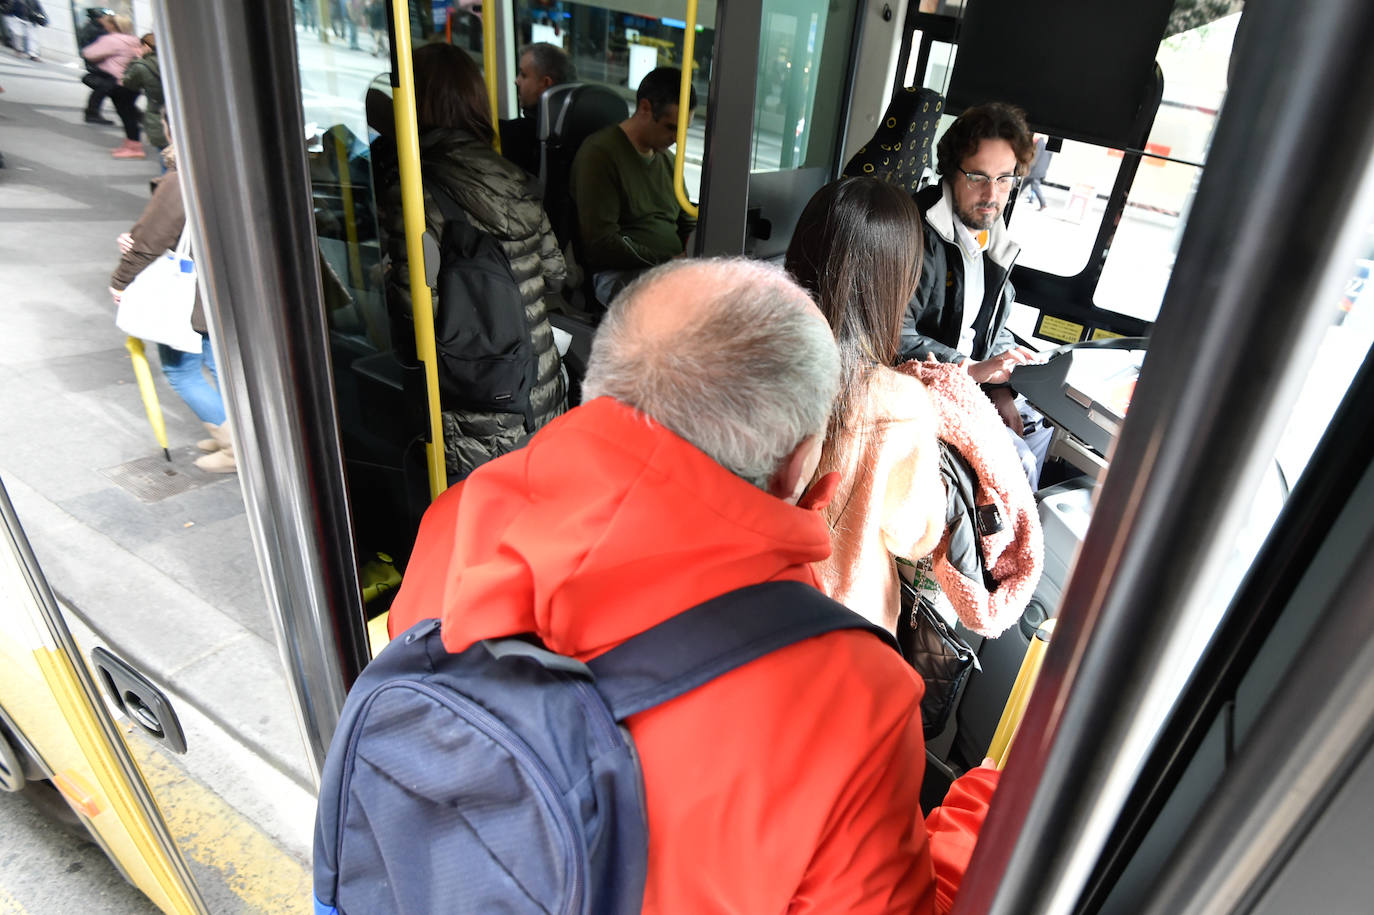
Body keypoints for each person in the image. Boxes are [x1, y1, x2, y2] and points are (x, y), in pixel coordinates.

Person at [386, 257, 999, 913]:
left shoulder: (457, 518)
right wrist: (990, 802)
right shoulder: (852, 699)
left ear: (602, 383)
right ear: (803, 472)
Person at [374, 42, 566, 478]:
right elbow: (555, 274)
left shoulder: (413, 188)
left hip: (475, 399)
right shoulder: (513, 176)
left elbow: (412, 309)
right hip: (537, 383)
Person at [786, 177, 946, 631]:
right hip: (843, 618)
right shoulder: (900, 402)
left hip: (746, 598)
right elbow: (913, 535)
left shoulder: (749, 360)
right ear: (898, 280)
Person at [900, 101, 1052, 488]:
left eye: (1004, 179)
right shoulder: (914, 236)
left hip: (975, 382)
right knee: (1020, 465)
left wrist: (1002, 384)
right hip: (931, 386)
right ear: (951, 172)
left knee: (1047, 431)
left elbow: (992, 324)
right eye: (978, 177)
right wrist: (973, 371)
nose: (992, 194)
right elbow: (894, 337)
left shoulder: (991, 238)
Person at [109, 144, 236, 474]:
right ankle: (242, 434)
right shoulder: (225, 170)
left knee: (182, 372)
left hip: (189, 295)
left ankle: (234, 448)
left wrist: (120, 280)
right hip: (219, 290)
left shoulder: (183, 178)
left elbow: (151, 240)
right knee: (217, 363)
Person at [570, 66, 697, 304]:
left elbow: (686, 219)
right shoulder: (600, 155)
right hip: (618, 275)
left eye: (684, 131)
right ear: (645, 109)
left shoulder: (667, 160)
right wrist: (669, 262)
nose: (678, 139)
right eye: (671, 128)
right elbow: (602, 243)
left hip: (669, 269)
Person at [498, 41, 576, 176]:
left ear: (545, 83)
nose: (516, 81)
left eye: (523, 75)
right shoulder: (578, 133)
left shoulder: (513, 135)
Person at [82, 14, 145, 158]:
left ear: (114, 26)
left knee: (126, 115)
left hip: (117, 82)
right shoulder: (135, 40)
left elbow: (89, 53)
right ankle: (131, 144)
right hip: (132, 82)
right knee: (129, 113)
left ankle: (134, 147)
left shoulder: (111, 40)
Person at [121, 33, 166, 150]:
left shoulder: (141, 66)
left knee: (166, 156)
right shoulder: (173, 60)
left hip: (157, 113)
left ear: (146, 46)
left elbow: (128, 83)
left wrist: (136, 60)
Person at [77, 8, 116, 124]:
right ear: (98, 18)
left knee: (109, 87)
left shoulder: (94, 28)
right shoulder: (95, 30)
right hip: (97, 64)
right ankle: (92, 113)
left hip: (98, 63)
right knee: (107, 86)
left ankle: (92, 113)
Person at [1023, 133, 1051, 210]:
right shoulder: (1048, 145)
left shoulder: (1039, 143)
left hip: (1034, 171)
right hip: (1040, 171)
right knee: (1031, 186)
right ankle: (1042, 204)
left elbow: (1035, 157)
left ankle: (1043, 203)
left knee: (1030, 186)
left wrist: (1029, 168)